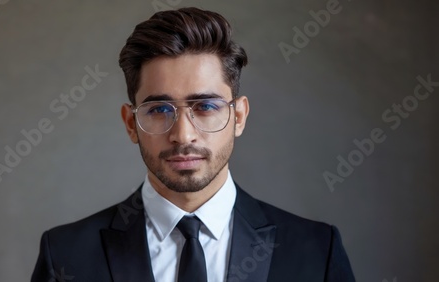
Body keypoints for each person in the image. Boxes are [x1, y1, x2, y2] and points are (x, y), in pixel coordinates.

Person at [31, 7, 355, 282]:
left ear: (238, 116)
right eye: (159, 109)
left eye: (206, 106)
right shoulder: (65, 255)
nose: (183, 135)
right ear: (131, 124)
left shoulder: (317, 251)